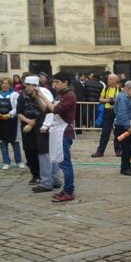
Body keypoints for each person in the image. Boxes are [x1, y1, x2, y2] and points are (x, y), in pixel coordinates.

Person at [35, 72, 77, 202]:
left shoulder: (70, 96)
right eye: (53, 82)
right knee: (61, 161)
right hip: (58, 132)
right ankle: (66, 189)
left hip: (64, 133)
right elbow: (46, 109)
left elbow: (54, 109)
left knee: (65, 164)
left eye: (57, 82)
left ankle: (69, 191)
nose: (54, 85)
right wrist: (37, 97)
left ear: (66, 82)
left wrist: (42, 94)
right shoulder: (61, 95)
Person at [16, 76, 57, 191]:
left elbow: (47, 111)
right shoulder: (23, 96)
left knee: (44, 153)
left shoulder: (43, 93)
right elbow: (19, 112)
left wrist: (37, 123)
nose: (26, 87)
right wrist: (28, 122)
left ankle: (48, 180)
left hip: (43, 126)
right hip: (33, 126)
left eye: (28, 85)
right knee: (33, 151)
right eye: (26, 85)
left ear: (34, 85)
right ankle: (42, 177)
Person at [0, 77, 23, 170]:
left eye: (7, 83)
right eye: (3, 83)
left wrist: (9, 115)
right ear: (0, 84)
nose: (4, 85)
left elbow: (16, 108)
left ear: (10, 85)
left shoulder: (15, 95)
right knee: (3, 143)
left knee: (15, 143)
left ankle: (19, 161)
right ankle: (6, 162)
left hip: (12, 122)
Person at [92, 74, 121, 157]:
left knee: (118, 132)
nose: (108, 80)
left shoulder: (120, 89)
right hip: (107, 111)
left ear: (116, 80)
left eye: (111, 79)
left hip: (117, 112)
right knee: (105, 133)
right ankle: (100, 151)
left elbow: (122, 100)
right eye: (108, 79)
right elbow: (100, 99)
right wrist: (108, 100)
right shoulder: (105, 88)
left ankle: (118, 151)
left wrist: (115, 100)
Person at [114, 81, 131, 176]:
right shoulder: (123, 98)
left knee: (128, 148)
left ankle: (127, 165)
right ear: (128, 88)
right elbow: (122, 114)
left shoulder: (126, 97)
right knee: (126, 148)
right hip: (123, 126)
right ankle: (124, 168)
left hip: (124, 125)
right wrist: (128, 127)